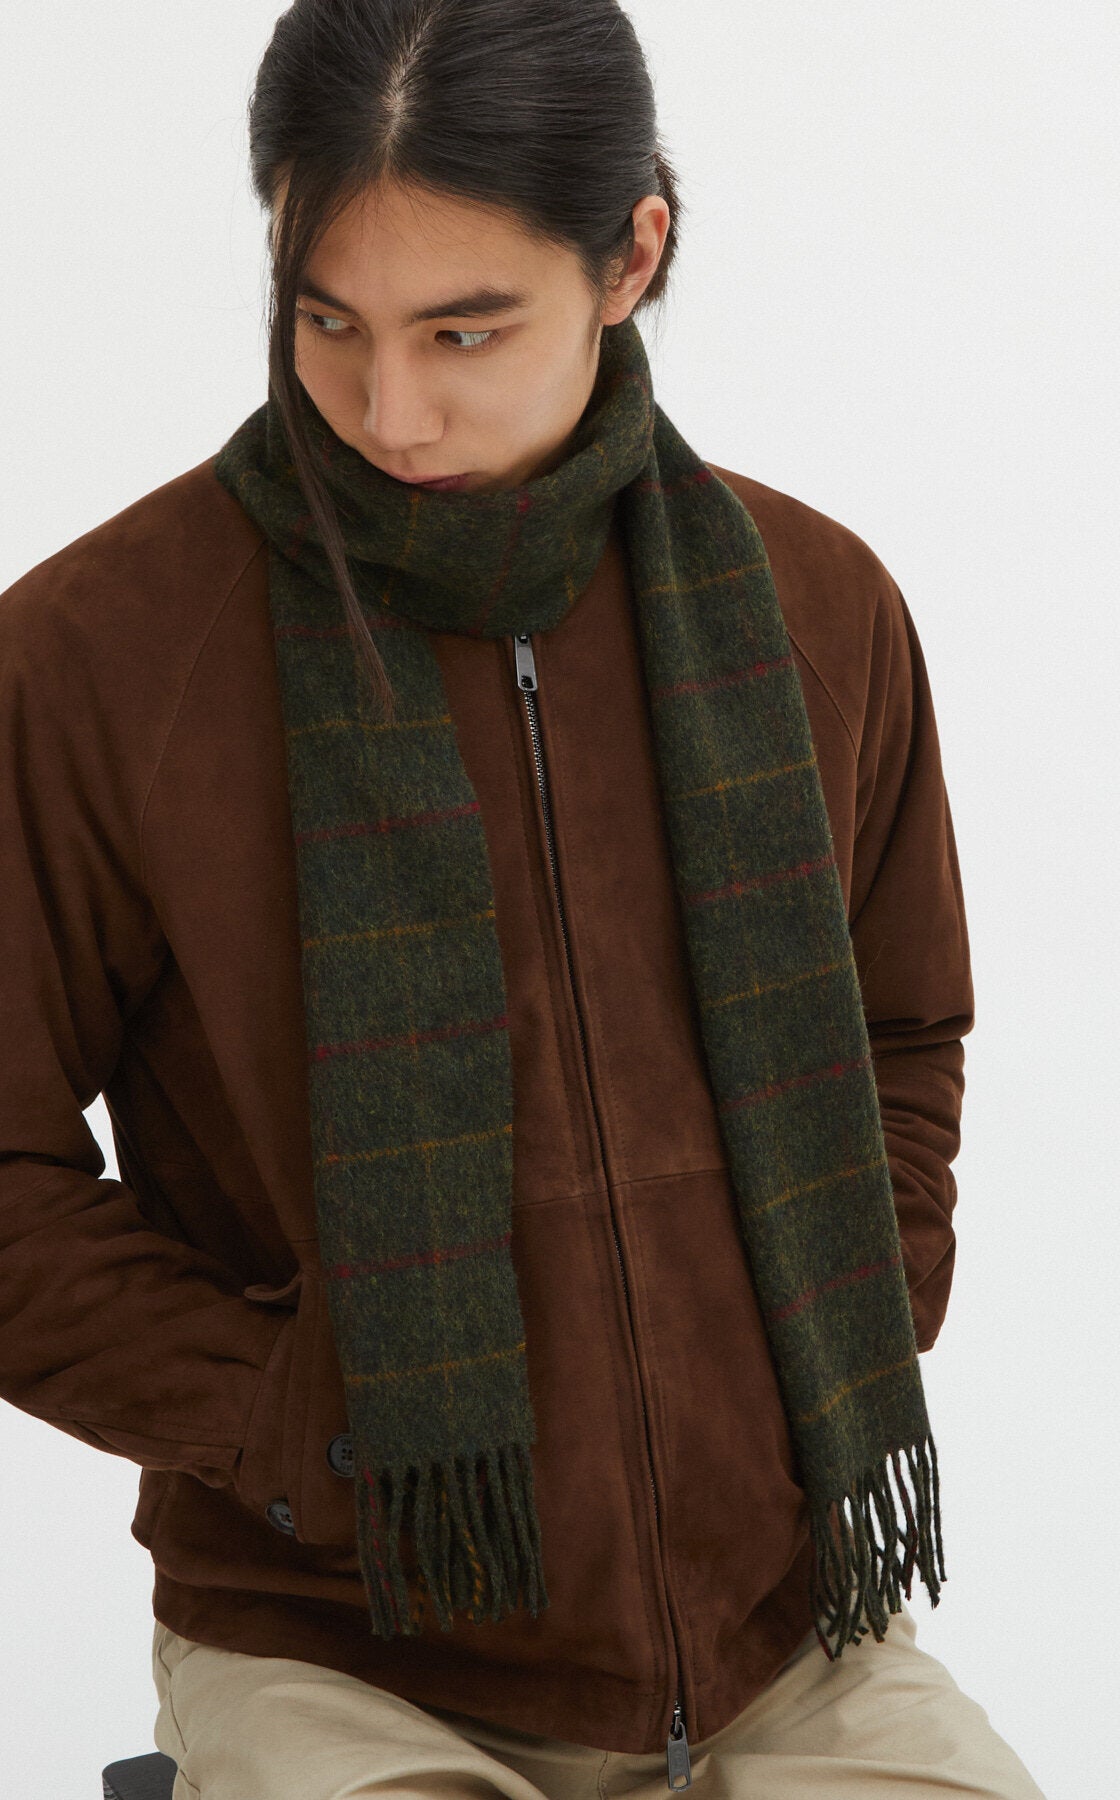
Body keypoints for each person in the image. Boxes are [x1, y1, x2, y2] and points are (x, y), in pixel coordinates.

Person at [0, 3, 1047, 1796]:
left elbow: (904, 1027)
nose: (385, 410)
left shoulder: (817, 608)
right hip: (343, 1645)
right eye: (326, 320)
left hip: (782, 1632)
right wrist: (295, 1430)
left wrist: (813, 1346)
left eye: (463, 330)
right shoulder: (99, 658)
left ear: (630, 254)